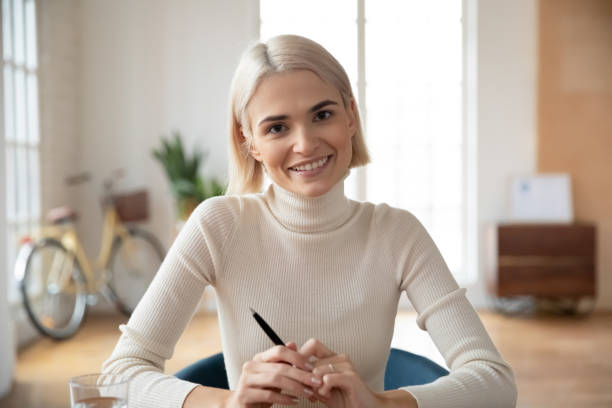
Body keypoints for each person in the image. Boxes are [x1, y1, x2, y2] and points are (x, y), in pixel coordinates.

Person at [102, 34, 517, 408]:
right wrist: (227, 405)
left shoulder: (397, 234)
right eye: (277, 127)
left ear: (350, 116)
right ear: (251, 144)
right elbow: (117, 377)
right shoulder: (217, 226)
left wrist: (381, 406)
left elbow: (496, 383)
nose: (305, 144)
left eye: (322, 115)